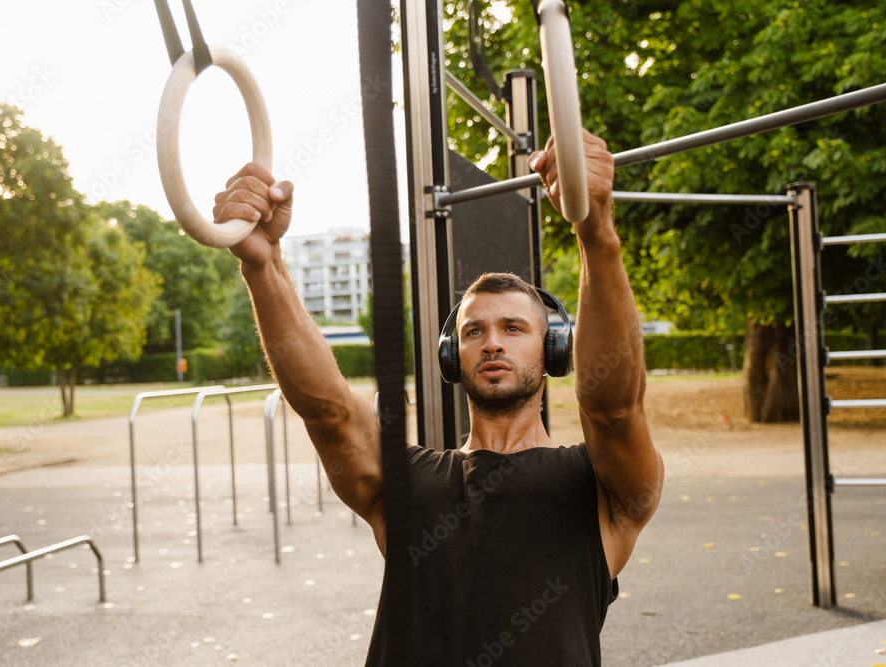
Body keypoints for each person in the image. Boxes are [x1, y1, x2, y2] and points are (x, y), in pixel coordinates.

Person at [213, 128, 663, 665]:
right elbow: (327, 411)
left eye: (514, 328)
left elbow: (614, 409)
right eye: (475, 331)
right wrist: (263, 266)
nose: (492, 341)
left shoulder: (598, 487)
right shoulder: (407, 482)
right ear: (453, 357)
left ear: (556, 352)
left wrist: (595, 231)